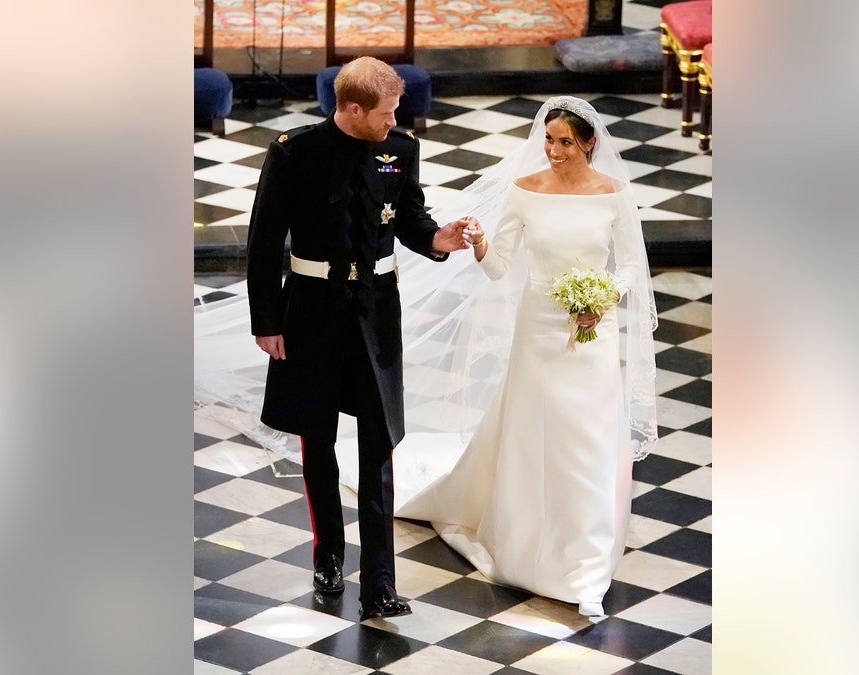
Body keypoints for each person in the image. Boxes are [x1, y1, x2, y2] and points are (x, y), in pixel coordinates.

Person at [386, 96, 660, 617]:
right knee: (538, 431)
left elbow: (630, 266)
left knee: (589, 435)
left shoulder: (614, 195)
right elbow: (499, 267)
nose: (553, 152)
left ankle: (586, 559)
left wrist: (601, 297)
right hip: (538, 327)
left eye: (564, 142)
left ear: (588, 144)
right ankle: (528, 536)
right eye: (549, 141)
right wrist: (483, 244)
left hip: (592, 330)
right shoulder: (524, 191)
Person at [243, 56, 476, 620]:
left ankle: (380, 582)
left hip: (376, 313)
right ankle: (328, 557)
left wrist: (439, 240)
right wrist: (267, 321)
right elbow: (264, 238)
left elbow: (410, 217)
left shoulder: (400, 150)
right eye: (388, 112)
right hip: (312, 312)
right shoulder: (294, 152)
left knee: (379, 446)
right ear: (352, 108)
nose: (397, 120)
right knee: (317, 440)